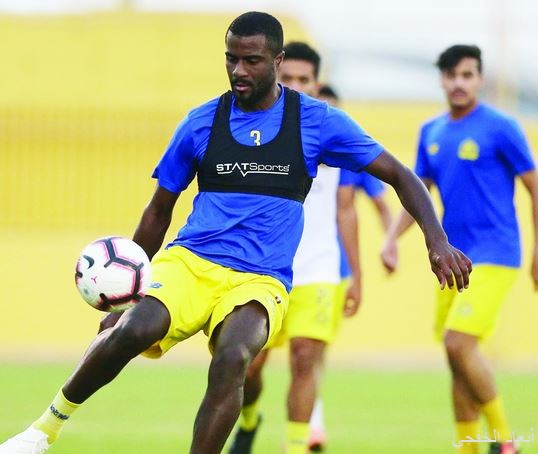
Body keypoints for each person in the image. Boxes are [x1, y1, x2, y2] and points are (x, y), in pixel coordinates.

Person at [0, 13, 471, 454]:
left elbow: (401, 175)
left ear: (277, 61)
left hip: (260, 277)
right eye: (231, 59)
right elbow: (158, 211)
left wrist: (436, 240)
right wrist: (128, 291)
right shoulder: (201, 121)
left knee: (234, 354)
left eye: (252, 60)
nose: (239, 70)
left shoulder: (317, 121)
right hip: (191, 261)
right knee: (135, 330)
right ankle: (43, 430)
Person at [381, 45, 537, 454]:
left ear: (479, 78)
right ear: (442, 79)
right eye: (451, 75)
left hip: (496, 253)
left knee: (458, 343)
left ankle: (505, 441)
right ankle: (470, 448)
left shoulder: (502, 127)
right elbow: (419, 192)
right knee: (457, 360)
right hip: (452, 260)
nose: (458, 83)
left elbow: (534, 186)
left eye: (467, 74)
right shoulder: (431, 132)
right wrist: (392, 239)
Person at [228, 42, 362, 454]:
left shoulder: (333, 134)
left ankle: (296, 447)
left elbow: (346, 209)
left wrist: (357, 275)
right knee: (248, 368)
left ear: (318, 83)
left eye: (305, 80)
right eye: (289, 79)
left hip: (319, 271)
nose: (297, 87)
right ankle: (249, 419)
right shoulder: (251, 131)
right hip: (263, 271)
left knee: (305, 360)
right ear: (275, 77)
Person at [309, 83, 394, 452]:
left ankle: (313, 422)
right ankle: (252, 418)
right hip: (283, 264)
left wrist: (389, 242)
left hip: (332, 269)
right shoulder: (296, 153)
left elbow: (382, 204)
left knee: (311, 349)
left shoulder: (350, 159)